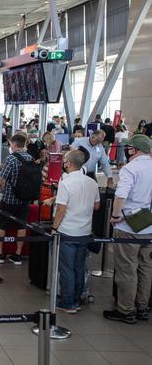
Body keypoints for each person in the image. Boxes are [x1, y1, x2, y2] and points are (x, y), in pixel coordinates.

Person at [104, 135, 152, 324]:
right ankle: (142, 307)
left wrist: (116, 216)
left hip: (127, 227)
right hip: (148, 224)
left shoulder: (130, 169)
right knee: (146, 267)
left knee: (127, 268)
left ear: (134, 149)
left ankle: (126, 310)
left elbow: (121, 196)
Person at [50, 150, 100, 314]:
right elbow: (97, 206)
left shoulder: (66, 183)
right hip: (85, 232)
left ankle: (67, 302)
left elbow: (61, 210)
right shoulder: (92, 182)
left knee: (66, 269)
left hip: (67, 232)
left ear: (68, 164)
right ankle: (76, 299)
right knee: (79, 268)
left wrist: (54, 228)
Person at [0, 133, 32, 265]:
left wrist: (3, 192)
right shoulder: (30, 158)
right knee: (21, 226)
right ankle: (17, 255)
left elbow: (2, 180)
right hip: (25, 199)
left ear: (14, 144)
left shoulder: (11, 158)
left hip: (9, 199)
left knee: (2, 225)